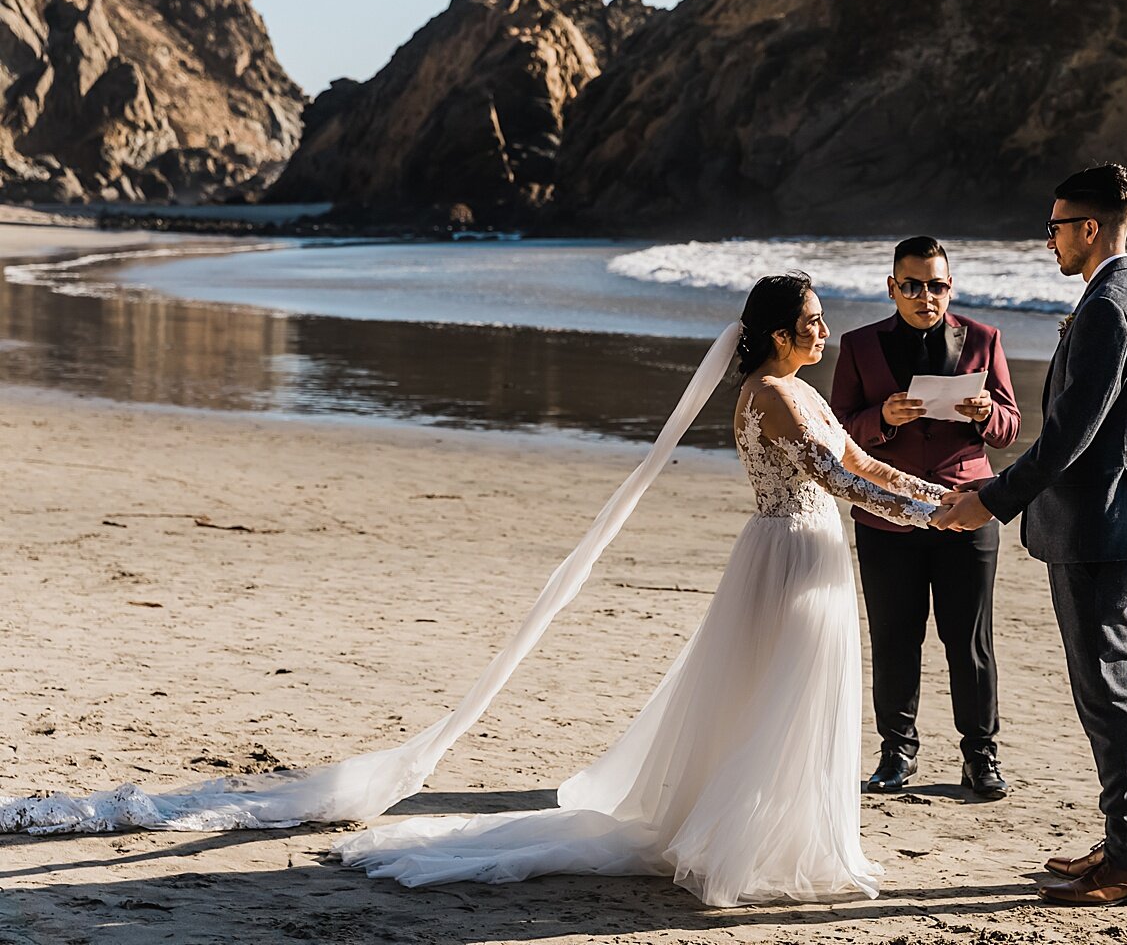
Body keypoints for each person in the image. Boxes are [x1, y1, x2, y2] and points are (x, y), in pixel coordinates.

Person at [3, 274, 950, 910]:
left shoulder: (803, 388)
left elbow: (864, 459)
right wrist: (934, 514)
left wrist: (943, 495)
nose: (827, 328)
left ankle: (785, 839)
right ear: (783, 329)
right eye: (816, 318)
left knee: (786, 703)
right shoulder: (777, 395)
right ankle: (750, 849)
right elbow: (846, 482)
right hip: (791, 553)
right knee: (779, 702)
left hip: (807, 553)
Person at [934, 163, 1127, 908]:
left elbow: (1067, 437)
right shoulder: (1126, 294)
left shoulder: (1106, 308)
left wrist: (991, 499)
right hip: (1103, 516)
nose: (1049, 240)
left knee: (1106, 688)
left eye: (1058, 226)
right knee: (1103, 686)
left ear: (1089, 228)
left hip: (1100, 524)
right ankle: (1126, 841)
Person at [830, 236, 1021, 798]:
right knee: (894, 637)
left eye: (936, 285)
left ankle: (980, 758)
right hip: (887, 517)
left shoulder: (985, 339)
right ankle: (897, 752)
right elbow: (837, 429)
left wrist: (989, 414)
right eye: (912, 285)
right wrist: (881, 417)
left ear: (950, 287)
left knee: (970, 641)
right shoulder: (861, 345)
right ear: (893, 288)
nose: (925, 296)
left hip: (967, 509)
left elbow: (1011, 427)